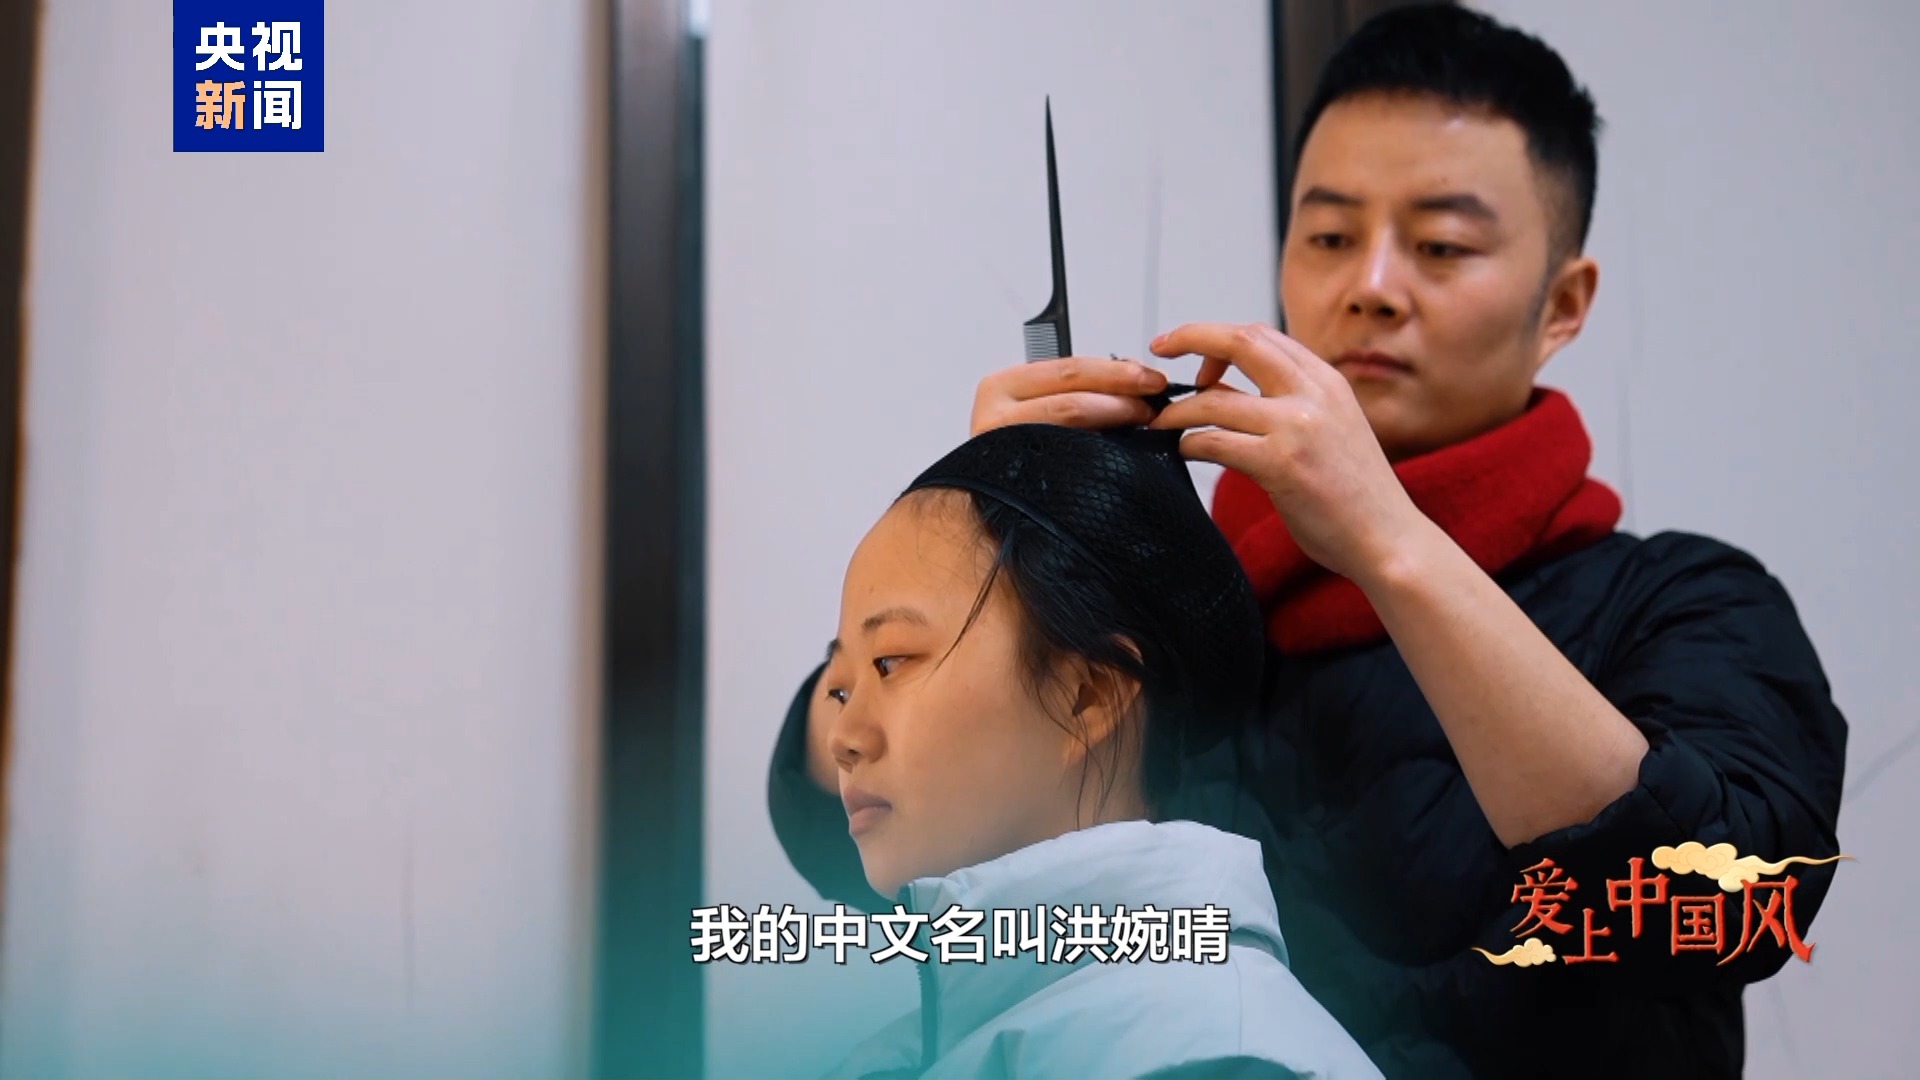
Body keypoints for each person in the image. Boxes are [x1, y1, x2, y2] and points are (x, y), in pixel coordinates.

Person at [770, 6, 1848, 1078]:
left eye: (1441, 246)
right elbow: (834, 830)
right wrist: (987, 547)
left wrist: (1388, 544)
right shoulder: (1173, 618)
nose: (1370, 287)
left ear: (1562, 304)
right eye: (1329, 237)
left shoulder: (1682, 602)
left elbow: (1729, 909)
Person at [812, 422, 1382, 1080]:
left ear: (1088, 696)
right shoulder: (915, 1052)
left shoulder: (1220, 1058)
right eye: (840, 690)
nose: (843, 738)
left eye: (891, 662)